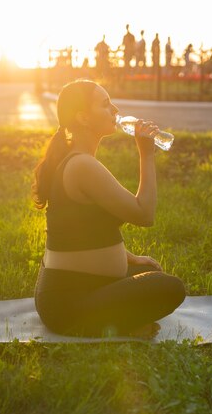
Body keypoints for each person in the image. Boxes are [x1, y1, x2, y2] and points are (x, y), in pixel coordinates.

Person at [32, 79, 186, 339]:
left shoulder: (81, 161)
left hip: (84, 288)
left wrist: (131, 258)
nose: (115, 110)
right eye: (105, 105)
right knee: (171, 288)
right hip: (67, 304)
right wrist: (146, 154)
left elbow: (83, 230)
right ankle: (111, 325)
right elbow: (144, 214)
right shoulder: (81, 165)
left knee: (150, 272)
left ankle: (119, 319)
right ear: (82, 117)